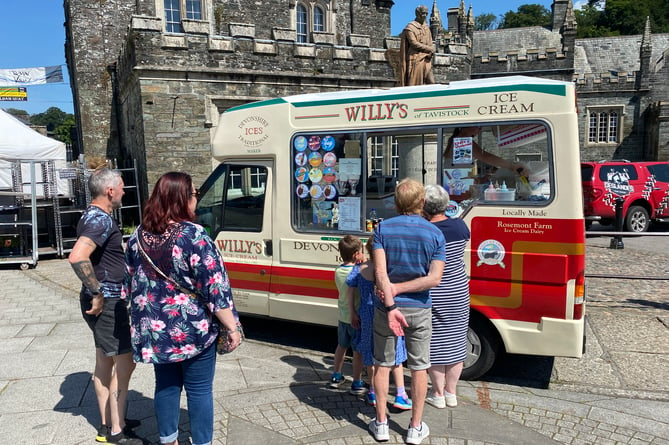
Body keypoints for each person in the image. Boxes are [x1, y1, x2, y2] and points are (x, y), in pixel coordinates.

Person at [123, 172, 241, 445]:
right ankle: (202, 442)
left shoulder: (138, 236)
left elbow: (127, 283)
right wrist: (232, 327)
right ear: (182, 198)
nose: (196, 199)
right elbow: (215, 288)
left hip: (155, 330)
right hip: (192, 329)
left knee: (165, 385)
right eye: (194, 194)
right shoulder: (194, 236)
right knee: (199, 390)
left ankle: (168, 440)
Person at [368, 178, 446, 445]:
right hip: (420, 308)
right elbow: (434, 279)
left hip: (387, 308)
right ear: (422, 202)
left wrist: (392, 299)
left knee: (383, 364)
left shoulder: (382, 230)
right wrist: (402, 289)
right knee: (420, 367)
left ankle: (380, 424)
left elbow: (379, 273)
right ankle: (414, 427)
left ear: (396, 203)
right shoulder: (435, 233)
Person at [69, 167, 141, 444]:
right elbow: (77, 257)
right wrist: (96, 292)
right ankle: (117, 430)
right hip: (108, 302)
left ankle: (107, 422)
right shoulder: (100, 221)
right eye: (122, 186)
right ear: (110, 191)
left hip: (103, 301)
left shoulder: (90, 215)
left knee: (104, 362)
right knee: (125, 364)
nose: (124, 191)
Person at [346, 236, 412, 410]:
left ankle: (373, 392)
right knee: (395, 353)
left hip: (366, 315)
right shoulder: (389, 269)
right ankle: (400, 394)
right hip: (386, 313)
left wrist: (353, 312)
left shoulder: (360, 269)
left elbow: (350, 291)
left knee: (370, 353)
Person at [422, 185, 471, 409]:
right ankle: (451, 393)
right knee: (457, 341)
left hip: (434, 290)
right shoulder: (460, 226)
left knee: (434, 343)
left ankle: (438, 393)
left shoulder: (425, 230)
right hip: (458, 290)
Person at [329, 235, 365, 395]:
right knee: (357, 352)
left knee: (341, 346)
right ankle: (357, 381)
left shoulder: (338, 270)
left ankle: (336, 375)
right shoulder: (357, 272)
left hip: (342, 315)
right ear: (357, 254)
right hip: (356, 317)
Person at [443, 127, 529, 177]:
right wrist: (511, 166)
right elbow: (485, 156)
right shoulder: (462, 140)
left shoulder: (458, 140)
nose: (479, 131)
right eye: (479, 127)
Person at [399, 5, 435, 86]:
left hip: (426, 59)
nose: (425, 15)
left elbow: (430, 42)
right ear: (417, 14)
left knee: (431, 82)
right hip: (415, 58)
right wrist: (429, 49)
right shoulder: (410, 28)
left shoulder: (426, 28)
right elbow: (414, 43)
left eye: (426, 13)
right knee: (414, 83)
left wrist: (431, 51)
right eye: (423, 13)